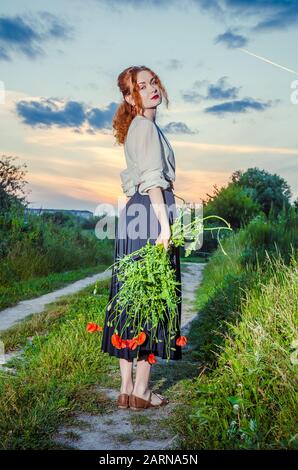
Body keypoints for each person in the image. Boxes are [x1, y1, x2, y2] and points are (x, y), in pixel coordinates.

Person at [100, 65, 182, 410]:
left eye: (152, 83)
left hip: (134, 214)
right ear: (130, 97)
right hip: (150, 213)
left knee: (129, 299)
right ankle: (143, 391)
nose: (151, 89)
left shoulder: (138, 127)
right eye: (141, 86)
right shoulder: (145, 126)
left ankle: (126, 387)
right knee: (153, 296)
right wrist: (164, 227)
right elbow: (153, 182)